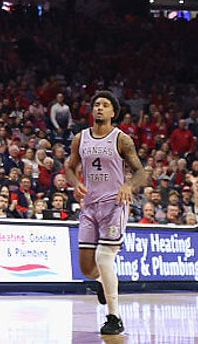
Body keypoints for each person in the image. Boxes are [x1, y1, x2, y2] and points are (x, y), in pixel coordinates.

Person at [63, 90, 148, 337]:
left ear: (113, 112)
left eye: (105, 105)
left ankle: (114, 317)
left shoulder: (122, 139)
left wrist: (128, 185)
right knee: (86, 267)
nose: (99, 108)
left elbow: (141, 172)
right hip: (89, 206)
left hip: (114, 205)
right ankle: (102, 282)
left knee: (104, 257)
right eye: (96, 104)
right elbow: (69, 166)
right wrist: (74, 181)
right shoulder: (81, 138)